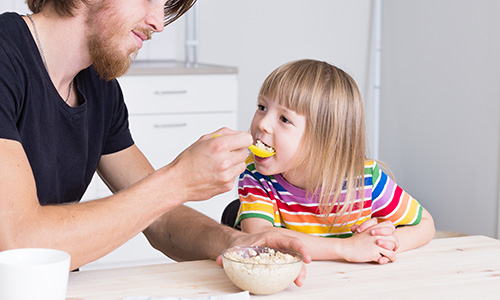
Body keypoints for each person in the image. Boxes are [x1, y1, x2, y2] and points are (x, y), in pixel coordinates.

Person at [0, 0, 311, 285]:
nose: (159, 23)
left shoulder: (98, 87)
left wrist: (235, 243)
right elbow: (19, 243)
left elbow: (161, 219)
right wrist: (177, 180)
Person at [235, 59, 435, 264]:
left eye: (284, 119)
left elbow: (426, 225)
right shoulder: (255, 175)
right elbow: (259, 237)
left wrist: (383, 242)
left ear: (324, 139)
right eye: (262, 107)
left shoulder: (365, 179)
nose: (262, 123)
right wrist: (347, 248)